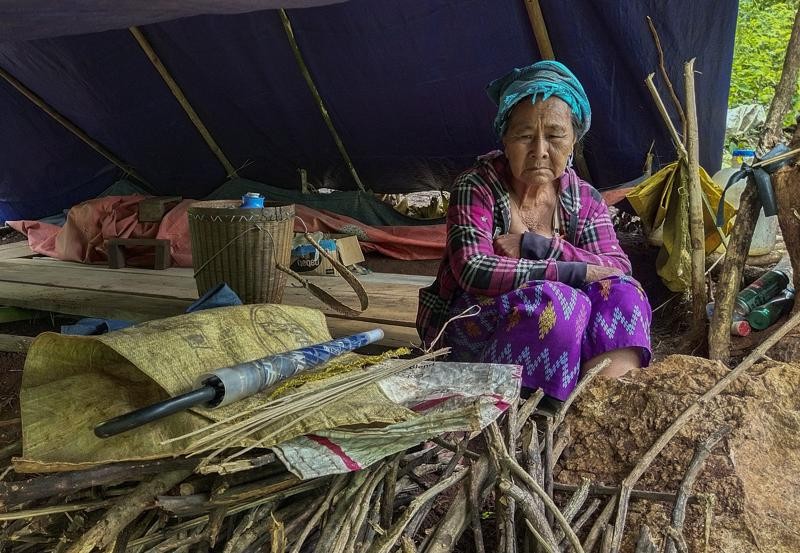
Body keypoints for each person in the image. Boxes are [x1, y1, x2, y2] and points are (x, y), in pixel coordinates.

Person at [416, 60, 652, 402]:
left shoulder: (584, 199)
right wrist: (576, 272)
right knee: (558, 301)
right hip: (473, 341)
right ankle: (528, 412)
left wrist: (538, 245)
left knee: (625, 295)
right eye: (524, 136)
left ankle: (598, 407)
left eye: (555, 136)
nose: (540, 150)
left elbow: (616, 269)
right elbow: (474, 269)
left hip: (564, 339)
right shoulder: (477, 187)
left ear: (573, 141)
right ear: (505, 139)